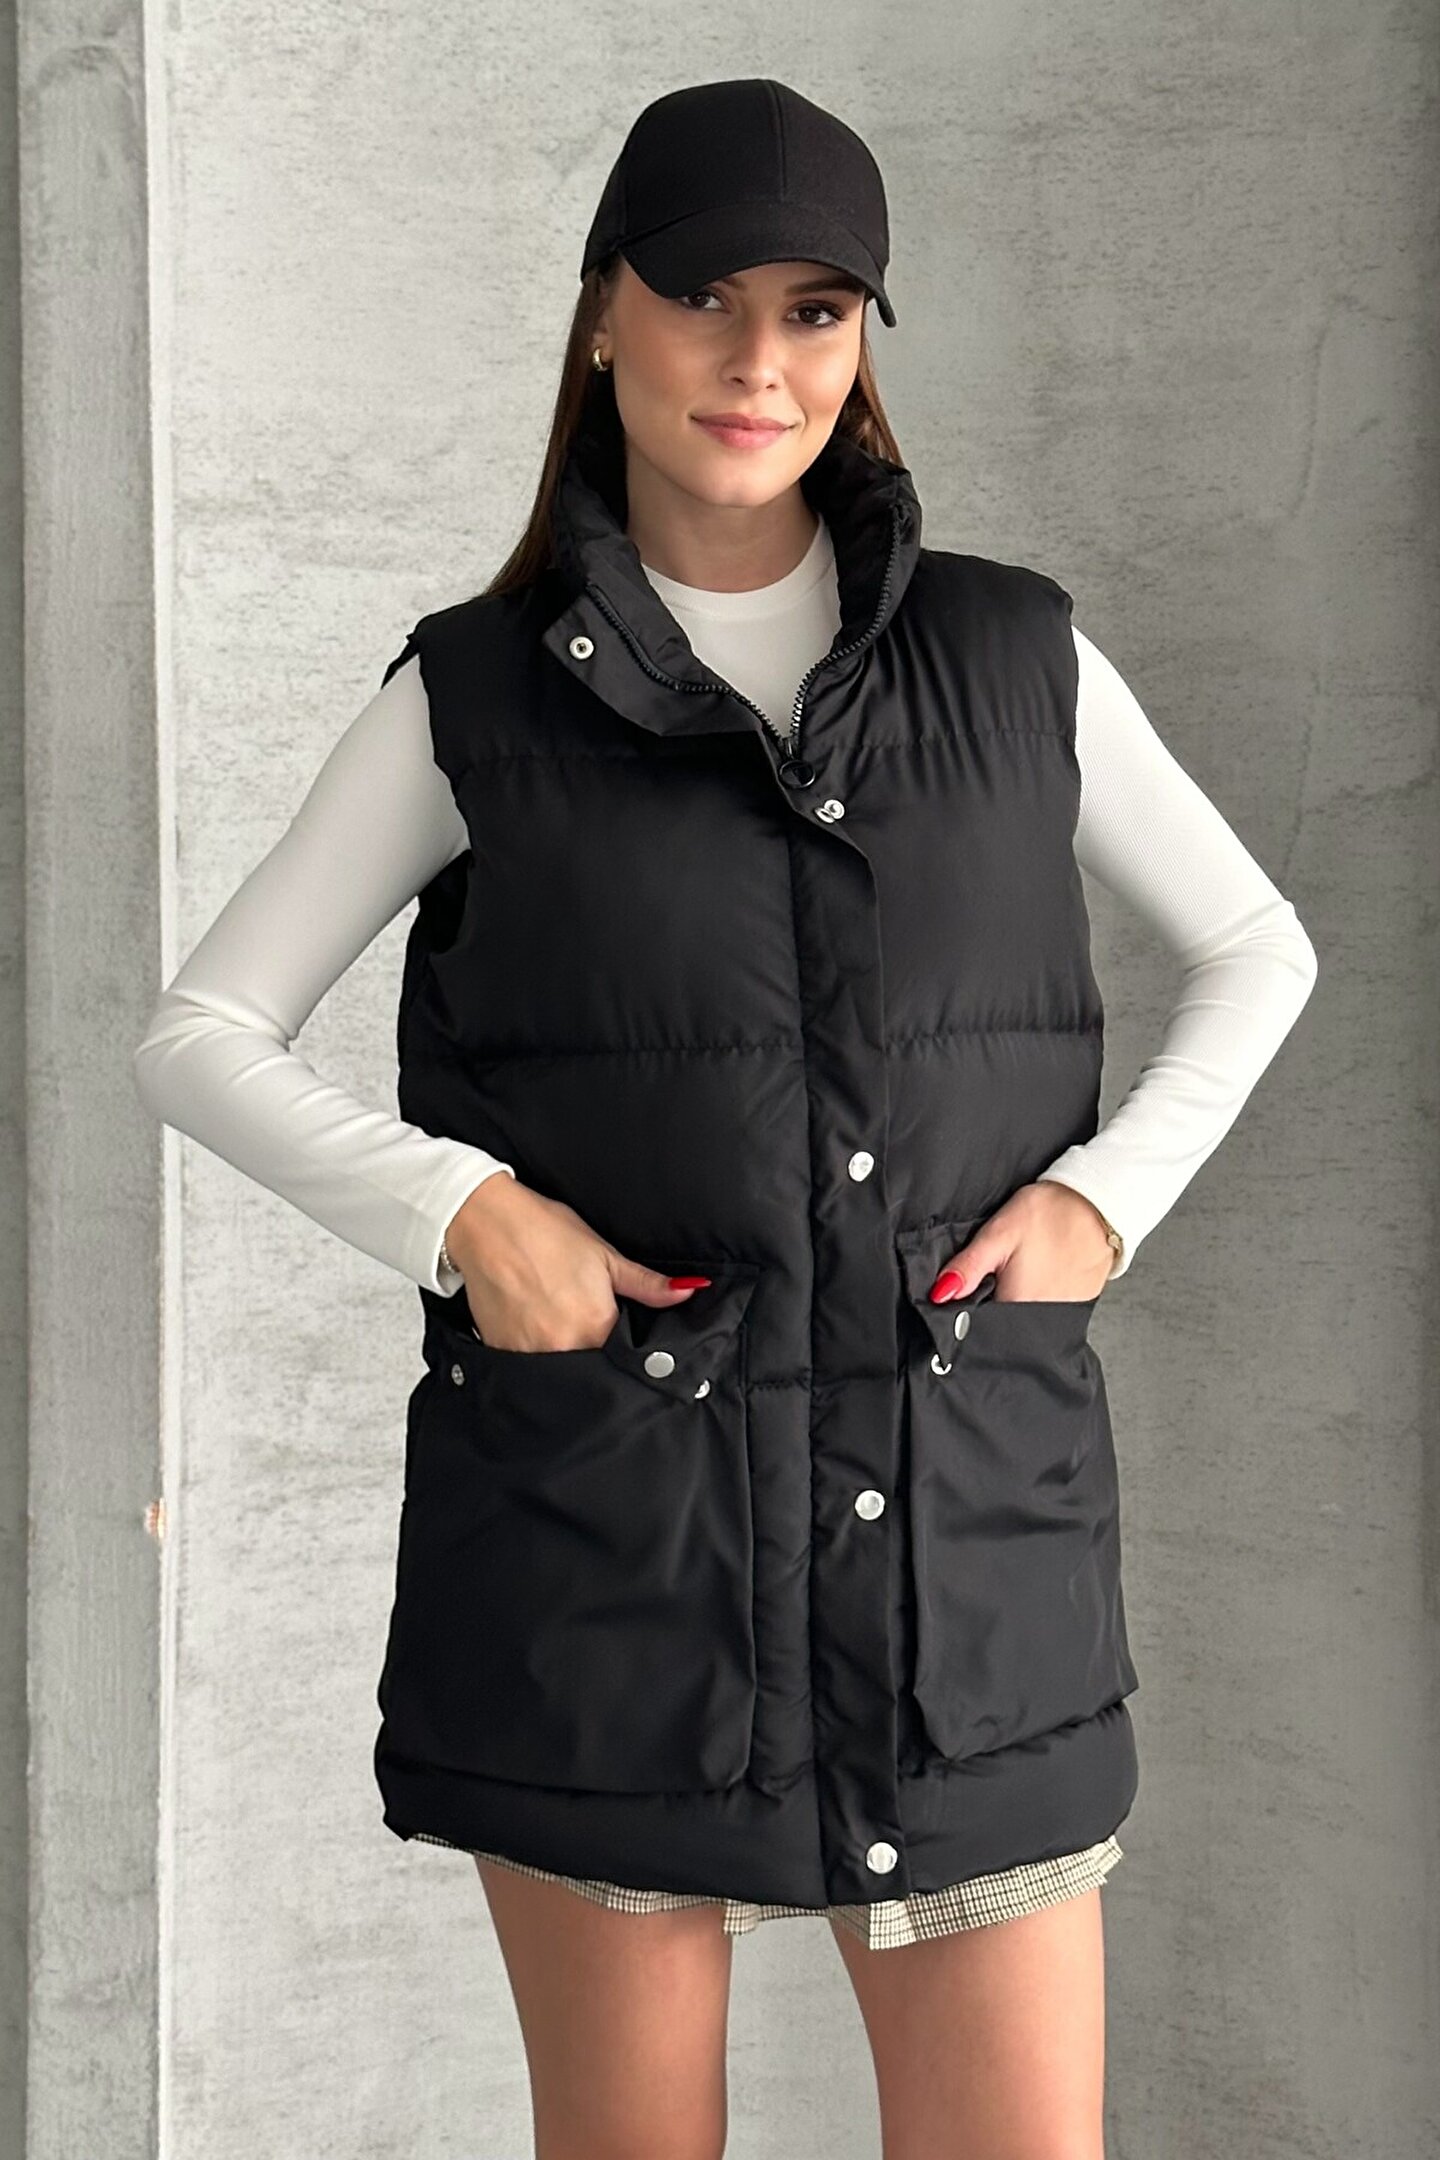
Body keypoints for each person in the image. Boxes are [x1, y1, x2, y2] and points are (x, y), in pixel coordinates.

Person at [134, 76, 1318, 2160]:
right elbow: (199, 1032)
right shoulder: (478, 694)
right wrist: (466, 1214)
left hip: (969, 1563)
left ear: (861, 345)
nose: (760, 361)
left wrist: (1106, 1205)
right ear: (604, 314)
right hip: (610, 1563)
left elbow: (1258, 946)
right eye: (702, 298)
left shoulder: (1013, 658)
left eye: (817, 310)